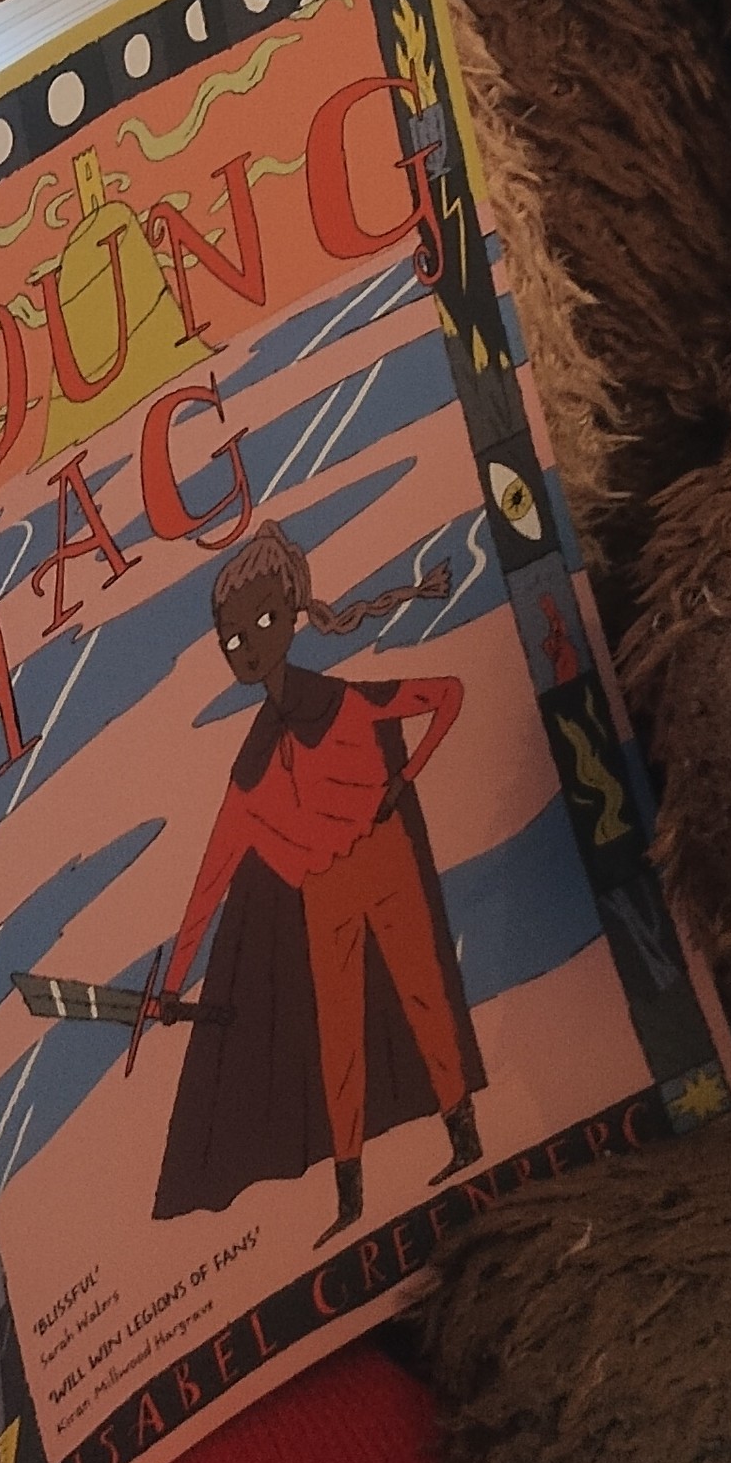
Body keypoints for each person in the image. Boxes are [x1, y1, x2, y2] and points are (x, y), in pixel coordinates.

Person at [153, 520, 483, 1244]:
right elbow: (209, 883)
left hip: (384, 854)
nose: (248, 646)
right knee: (340, 1037)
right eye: (232, 638)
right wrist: (173, 983)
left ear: (294, 613)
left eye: (263, 622)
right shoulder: (249, 771)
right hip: (323, 892)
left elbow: (450, 694)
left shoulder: (346, 701)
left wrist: (406, 775)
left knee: (422, 993)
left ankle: (464, 1135)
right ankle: (350, 1192)